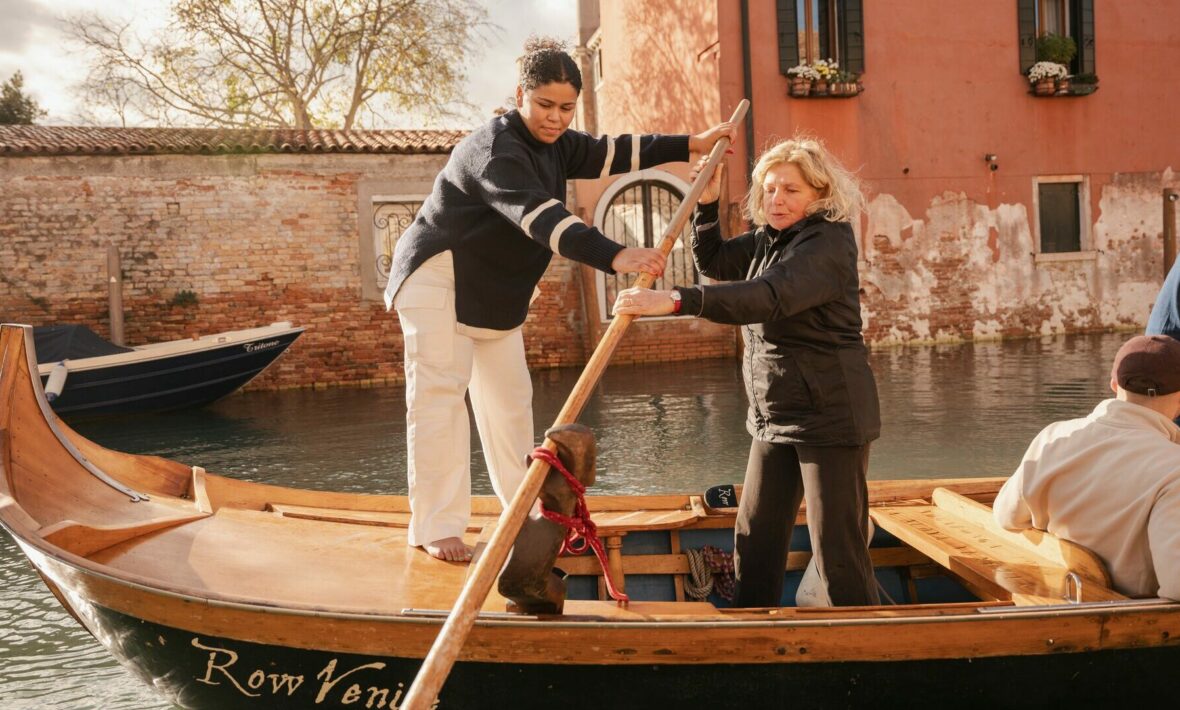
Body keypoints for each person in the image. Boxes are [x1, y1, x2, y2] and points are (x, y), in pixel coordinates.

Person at [383, 37, 735, 561]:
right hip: (440, 277)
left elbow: (612, 151)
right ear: (520, 94)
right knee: (439, 403)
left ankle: (522, 516)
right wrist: (615, 256)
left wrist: (692, 144)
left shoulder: (559, 141)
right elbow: (543, 220)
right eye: (544, 105)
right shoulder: (495, 151)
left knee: (510, 405)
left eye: (566, 108)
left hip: (495, 293)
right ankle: (436, 527)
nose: (555, 118)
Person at [614, 136, 881, 607]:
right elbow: (715, 260)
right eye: (771, 189)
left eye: (791, 190)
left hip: (831, 414)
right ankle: (752, 624)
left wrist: (676, 300)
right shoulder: (769, 238)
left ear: (819, 196)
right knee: (755, 532)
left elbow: (767, 296)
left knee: (836, 547)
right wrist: (709, 204)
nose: (777, 199)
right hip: (774, 412)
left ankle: (865, 645)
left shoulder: (827, 244)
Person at [993, 334, 1180, 600]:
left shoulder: (1052, 437)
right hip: (1127, 622)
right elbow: (1177, 587)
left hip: (1061, 598)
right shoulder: (1174, 469)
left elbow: (1005, 518)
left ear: (1114, 383)